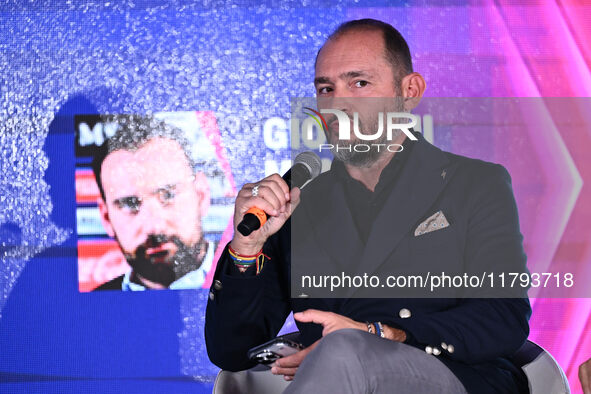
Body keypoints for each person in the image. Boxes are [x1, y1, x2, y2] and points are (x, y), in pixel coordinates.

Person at [205, 19, 531, 393]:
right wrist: (247, 250)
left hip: (456, 378)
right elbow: (231, 352)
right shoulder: (300, 206)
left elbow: (503, 318)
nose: (338, 105)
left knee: (344, 348)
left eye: (359, 83)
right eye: (326, 89)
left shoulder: (474, 183)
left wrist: (379, 335)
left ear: (409, 91)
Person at [91, 115, 213, 291]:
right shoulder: (90, 309)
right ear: (106, 218)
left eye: (168, 195)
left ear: (201, 195)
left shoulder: (257, 284)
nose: (154, 228)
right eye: (129, 204)